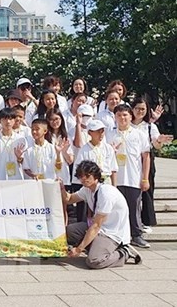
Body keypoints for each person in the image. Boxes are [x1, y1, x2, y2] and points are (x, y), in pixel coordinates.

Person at [62, 160, 142, 269]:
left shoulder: (106, 193)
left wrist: (79, 249)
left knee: (94, 261)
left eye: (87, 176)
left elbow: (96, 226)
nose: (84, 179)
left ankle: (123, 253)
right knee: (69, 231)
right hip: (99, 229)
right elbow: (69, 199)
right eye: (81, 176)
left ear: (96, 176)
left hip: (112, 233)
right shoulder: (87, 189)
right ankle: (95, 247)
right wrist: (61, 187)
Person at [106, 104, 151, 248]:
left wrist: (145, 178)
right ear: (115, 117)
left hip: (133, 178)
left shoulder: (139, 134)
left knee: (134, 207)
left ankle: (136, 235)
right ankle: (117, 237)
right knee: (116, 210)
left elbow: (146, 157)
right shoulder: (109, 134)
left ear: (130, 116)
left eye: (125, 115)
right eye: (119, 115)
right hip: (115, 179)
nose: (122, 118)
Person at [131, 97, 174, 231]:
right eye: (137, 108)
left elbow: (156, 145)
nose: (140, 111)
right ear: (132, 109)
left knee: (147, 190)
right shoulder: (127, 123)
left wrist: (159, 140)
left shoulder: (150, 126)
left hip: (146, 160)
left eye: (143, 109)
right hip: (130, 161)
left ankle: (147, 221)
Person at [0, 108, 27, 181]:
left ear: (14, 120)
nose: (8, 122)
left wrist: (19, 158)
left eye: (11, 119)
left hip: (17, 179)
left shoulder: (21, 139)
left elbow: (25, 162)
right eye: (5, 119)